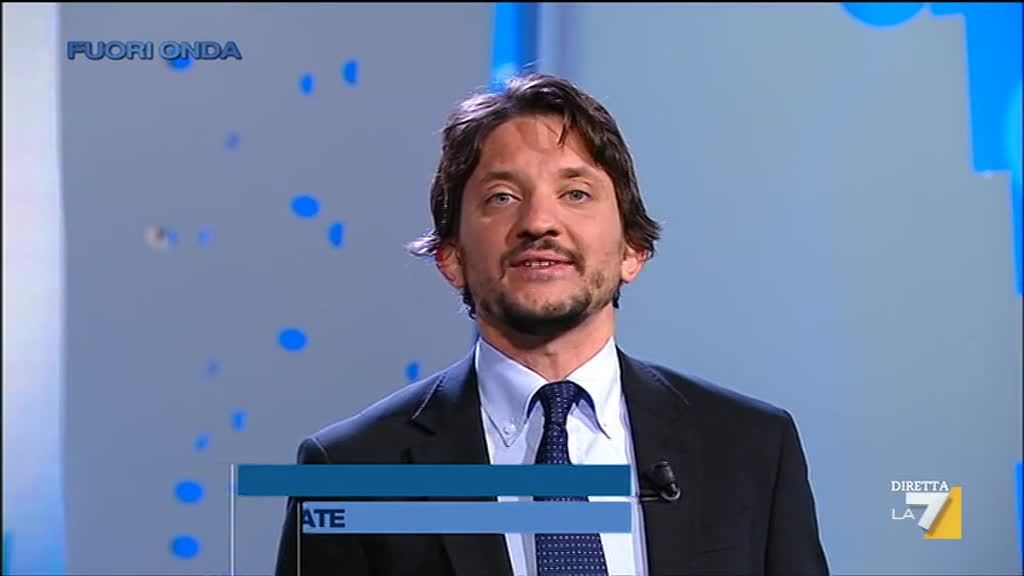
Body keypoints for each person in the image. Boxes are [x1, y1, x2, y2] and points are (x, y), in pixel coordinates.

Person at [274, 73, 829, 576]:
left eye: (575, 194)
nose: (539, 222)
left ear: (633, 250)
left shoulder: (750, 446)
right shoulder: (349, 471)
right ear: (452, 257)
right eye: (502, 197)